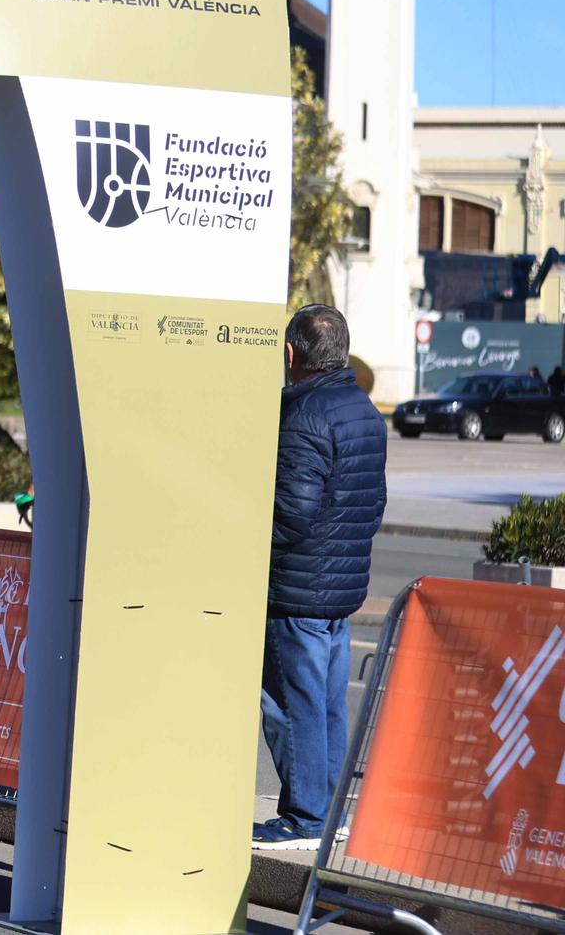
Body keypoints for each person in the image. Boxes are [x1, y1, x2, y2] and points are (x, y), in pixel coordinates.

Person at [254, 304, 386, 849]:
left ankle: (307, 816)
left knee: (289, 704)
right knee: (326, 705)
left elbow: (294, 510)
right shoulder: (363, 409)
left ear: (291, 355)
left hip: (298, 585)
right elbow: (373, 503)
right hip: (338, 587)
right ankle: (325, 813)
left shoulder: (305, 415)